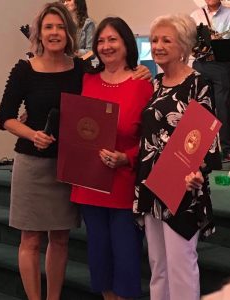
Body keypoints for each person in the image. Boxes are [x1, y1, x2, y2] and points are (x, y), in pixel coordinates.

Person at [0, 3, 83, 299]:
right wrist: (33, 134)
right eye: (48, 27)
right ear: (39, 33)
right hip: (31, 165)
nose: (55, 32)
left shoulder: (81, 69)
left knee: (60, 240)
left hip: (65, 166)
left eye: (60, 27)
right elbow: (5, 117)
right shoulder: (24, 70)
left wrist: (138, 70)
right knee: (30, 240)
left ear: (69, 33)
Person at [134, 14, 221, 300]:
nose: (157, 45)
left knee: (181, 266)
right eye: (155, 39)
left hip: (181, 186)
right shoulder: (155, 84)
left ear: (183, 45)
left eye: (166, 40)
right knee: (158, 268)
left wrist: (199, 171)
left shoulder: (199, 83)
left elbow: (206, 134)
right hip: (151, 184)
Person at [71, 17, 153, 300]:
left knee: (126, 258)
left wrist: (127, 157)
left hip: (124, 184)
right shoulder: (87, 80)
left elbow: (153, 140)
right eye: (101, 41)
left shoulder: (144, 85)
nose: (106, 46)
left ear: (127, 44)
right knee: (99, 257)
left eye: (113, 40)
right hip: (90, 184)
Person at [191, 0, 230, 162]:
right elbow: (189, 41)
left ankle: (226, 150)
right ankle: (200, 151)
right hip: (200, 64)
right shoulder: (195, 15)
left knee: (223, 107)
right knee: (199, 107)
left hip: (222, 65)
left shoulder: (229, 13)